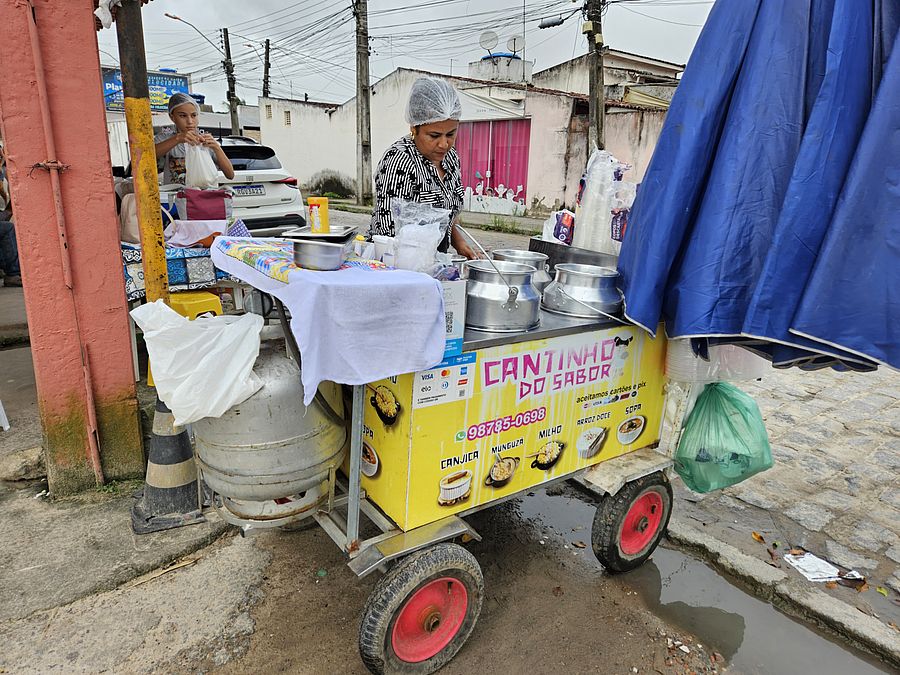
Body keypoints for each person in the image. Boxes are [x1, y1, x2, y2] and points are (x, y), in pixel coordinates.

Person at [369, 77, 478, 259]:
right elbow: (388, 231)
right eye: (434, 135)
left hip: (433, 260)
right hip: (399, 261)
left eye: (451, 134)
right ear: (414, 128)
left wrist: (459, 243)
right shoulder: (399, 160)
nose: (444, 144)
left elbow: (448, 211)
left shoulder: (451, 158)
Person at [154, 93, 234, 185]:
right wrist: (178, 138)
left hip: (203, 197)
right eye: (183, 116)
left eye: (193, 115)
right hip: (177, 197)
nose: (190, 121)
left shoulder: (205, 141)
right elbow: (149, 155)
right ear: (172, 117)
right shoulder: (164, 138)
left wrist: (217, 148)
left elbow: (230, 175)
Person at [0, 144, 20, 287]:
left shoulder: (4, 171)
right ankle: (13, 273)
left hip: (1, 211)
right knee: (7, 228)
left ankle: (4, 266)